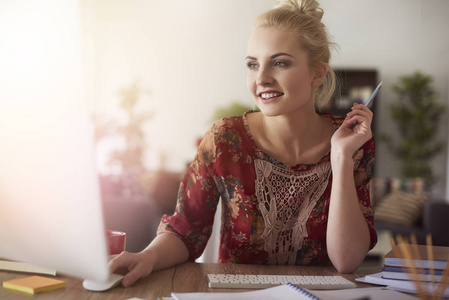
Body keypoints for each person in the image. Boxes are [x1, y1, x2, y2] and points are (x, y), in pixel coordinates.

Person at [110, 0, 377, 287]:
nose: (261, 79)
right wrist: (147, 257)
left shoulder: (350, 142)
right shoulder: (225, 139)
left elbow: (347, 260)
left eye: (280, 63)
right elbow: (186, 231)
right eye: (252, 65)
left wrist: (340, 157)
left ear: (318, 73)